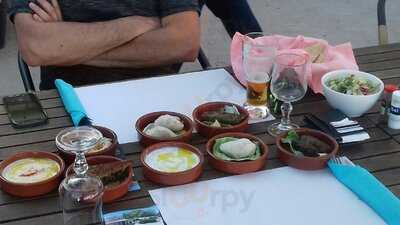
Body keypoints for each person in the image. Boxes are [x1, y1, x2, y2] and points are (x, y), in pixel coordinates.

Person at [8, 0, 200, 90]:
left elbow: (183, 43)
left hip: (154, 98)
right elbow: (36, 47)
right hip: (68, 103)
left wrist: (68, 47)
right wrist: (132, 26)